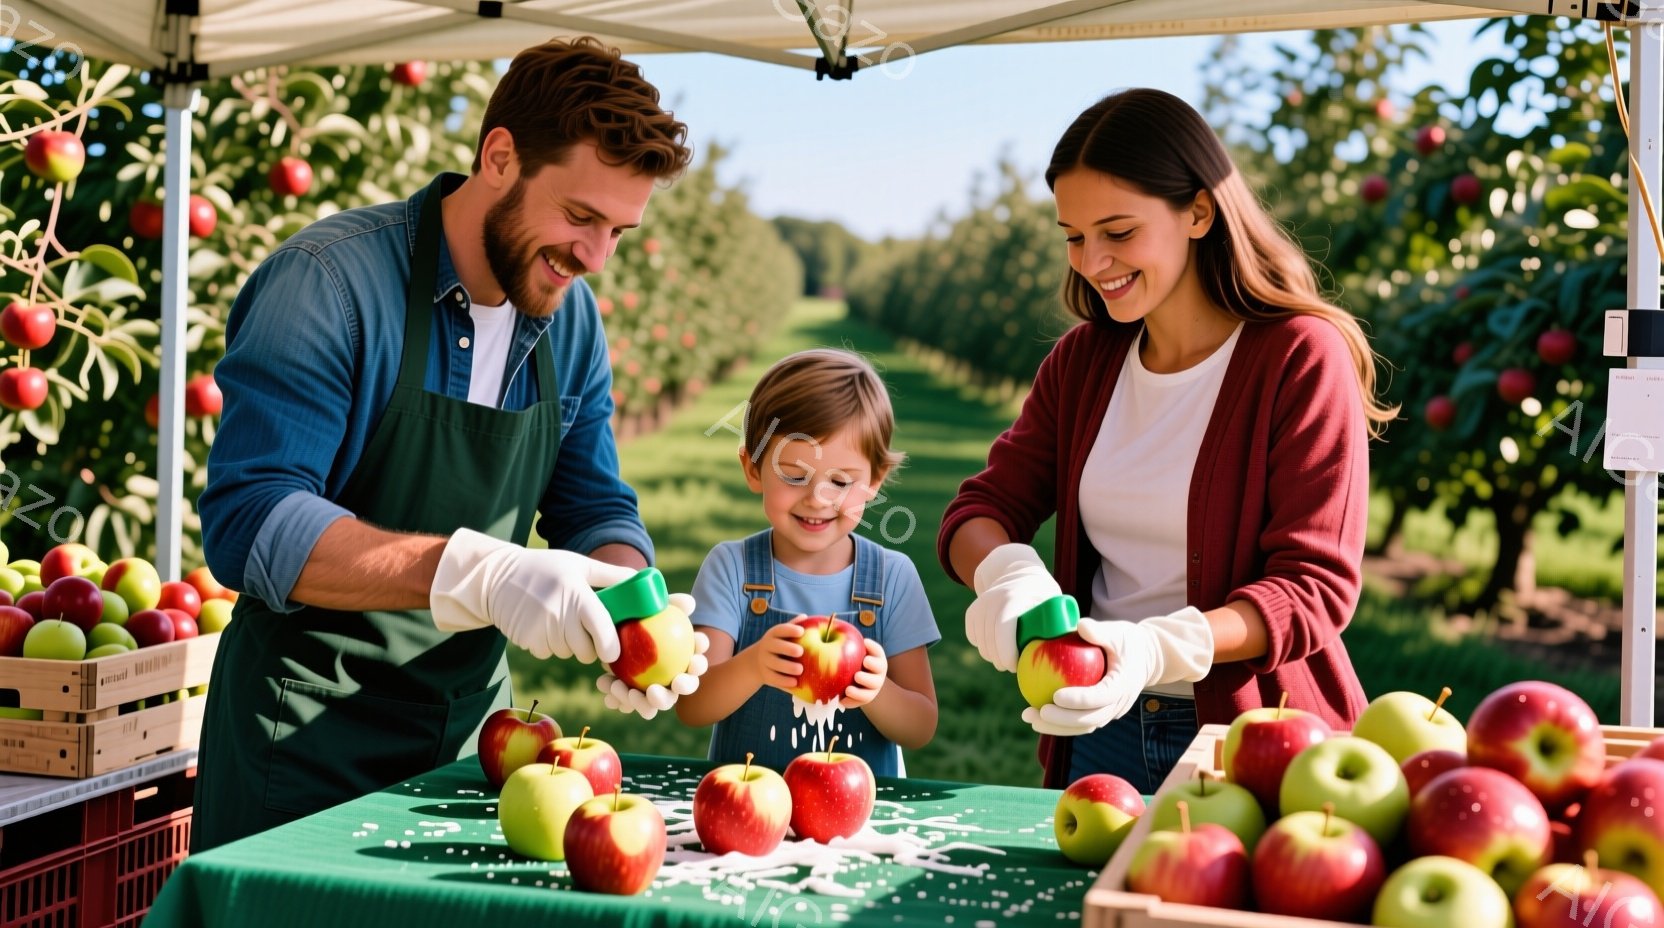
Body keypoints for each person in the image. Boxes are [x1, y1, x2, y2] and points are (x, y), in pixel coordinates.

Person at [192, 37, 710, 852]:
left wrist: (626, 598)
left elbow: (591, 501)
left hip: (476, 748)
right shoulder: (329, 285)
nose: (595, 257)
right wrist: (480, 573)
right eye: (580, 216)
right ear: (499, 156)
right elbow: (251, 524)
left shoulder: (569, 320)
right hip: (301, 745)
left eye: (618, 229)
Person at [939, 88, 1396, 793]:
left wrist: (1157, 649)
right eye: (1073, 235)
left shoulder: (1300, 356)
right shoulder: (1084, 361)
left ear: (1199, 211)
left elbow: (1315, 588)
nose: (1092, 261)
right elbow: (980, 509)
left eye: (1117, 232)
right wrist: (1006, 574)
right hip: (1098, 725)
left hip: (1256, 739)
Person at [675, 349, 939, 777]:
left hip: (862, 823)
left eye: (840, 481)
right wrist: (754, 664)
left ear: (874, 483)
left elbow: (921, 725)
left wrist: (876, 693)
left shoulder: (893, 577)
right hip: (749, 812)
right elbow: (692, 705)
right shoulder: (732, 569)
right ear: (753, 468)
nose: (818, 498)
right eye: (794, 475)